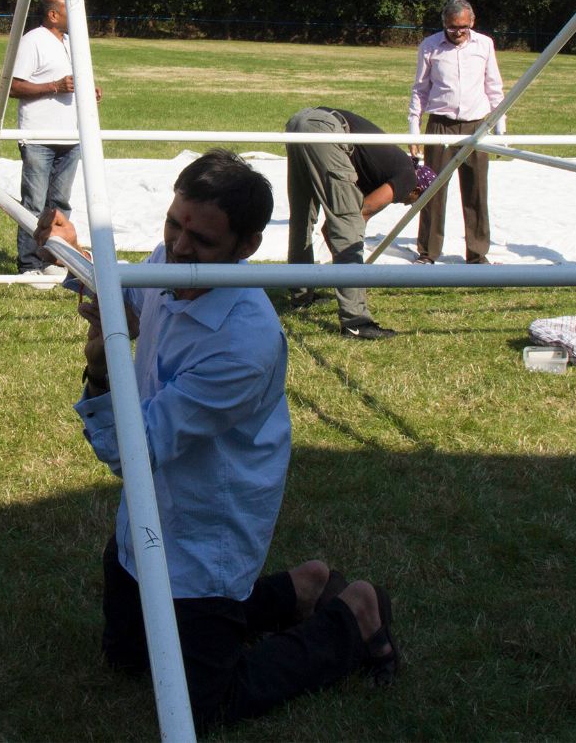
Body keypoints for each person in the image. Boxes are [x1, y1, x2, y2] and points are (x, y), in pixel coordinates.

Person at [35, 150, 397, 730]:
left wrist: (102, 370)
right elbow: (132, 295)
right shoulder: (172, 264)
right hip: (149, 522)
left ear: (245, 248)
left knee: (208, 706)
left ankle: (351, 616)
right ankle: (298, 588)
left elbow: (133, 450)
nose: (178, 248)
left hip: (208, 533)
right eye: (173, 225)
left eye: (201, 241)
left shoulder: (243, 343)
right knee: (127, 659)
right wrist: (79, 257)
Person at [284, 107, 431, 339]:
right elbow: (358, 215)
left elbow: (338, 221)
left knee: (303, 217)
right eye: (415, 200)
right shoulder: (408, 177)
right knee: (347, 223)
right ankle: (356, 321)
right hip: (324, 129)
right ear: (417, 188)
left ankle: (301, 296)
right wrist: (352, 271)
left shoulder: (381, 167)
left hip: (301, 121)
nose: (408, 204)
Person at [10, 0, 99, 284]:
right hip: (38, 137)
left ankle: (54, 258)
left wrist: (90, 91)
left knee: (60, 204)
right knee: (34, 204)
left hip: (72, 136)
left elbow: (77, 81)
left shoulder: (72, 43)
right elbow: (14, 87)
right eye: (69, 9)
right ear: (52, 14)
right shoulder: (32, 41)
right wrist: (54, 86)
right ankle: (28, 264)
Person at [407, 0, 504, 265]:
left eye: (463, 27)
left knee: (476, 190)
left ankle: (477, 253)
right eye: (452, 28)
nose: (458, 32)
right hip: (440, 124)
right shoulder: (429, 47)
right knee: (432, 189)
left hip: (476, 126)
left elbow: (494, 87)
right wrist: (413, 130)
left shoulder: (484, 44)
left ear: (472, 22)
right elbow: (420, 90)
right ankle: (427, 252)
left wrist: (500, 132)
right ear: (444, 24)